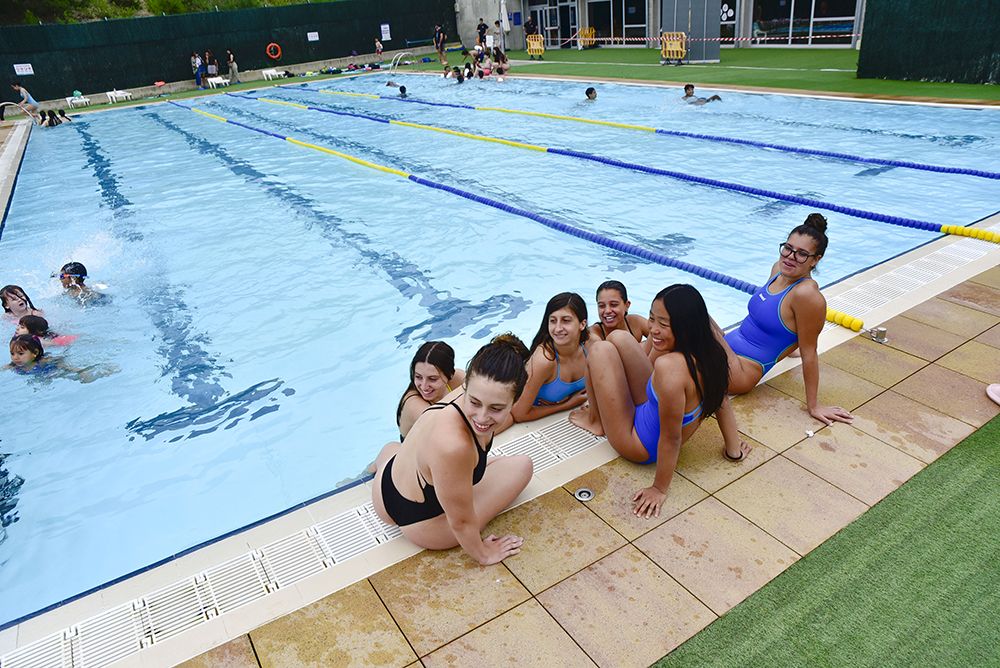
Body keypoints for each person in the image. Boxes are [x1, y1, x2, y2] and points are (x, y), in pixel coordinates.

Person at [570, 285, 750, 518]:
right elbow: (722, 400)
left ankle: (597, 421)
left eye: (663, 324)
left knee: (600, 351)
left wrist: (659, 488)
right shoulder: (711, 352)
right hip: (650, 413)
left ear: (685, 326)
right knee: (618, 337)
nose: (653, 329)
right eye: (652, 319)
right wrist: (733, 450)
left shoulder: (669, 369)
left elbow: (671, 437)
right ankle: (606, 407)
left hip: (639, 444)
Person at [372, 334, 534, 564]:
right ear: (467, 386)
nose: (482, 417)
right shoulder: (453, 445)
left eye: (496, 408)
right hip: (421, 524)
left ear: (514, 400)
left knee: (395, 448)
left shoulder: (467, 384)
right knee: (522, 466)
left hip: (385, 484)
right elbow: (461, 522)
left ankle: (375, 464)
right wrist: (483, 554)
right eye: (475, 402)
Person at [721, 213, 853, 426]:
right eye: (788, 248)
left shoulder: (807, 295)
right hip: (725, 349)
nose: (790, 257)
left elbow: (810, 353)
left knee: (684, 320)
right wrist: (789, 347)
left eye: (802, 254)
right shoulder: (777, 270)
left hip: (741, 371)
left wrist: (814, 406)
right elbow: (773, 317)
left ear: (816, 260)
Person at [512, 293, 589, 424]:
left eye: (566, 320)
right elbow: (518, 413)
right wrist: (566, 405)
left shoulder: (590, 346)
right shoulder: (545, 360)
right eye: (553, 321)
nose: (558, 328)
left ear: (582, 324)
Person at [397, 341, 467, 440]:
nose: (424, 386)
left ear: (450, 375)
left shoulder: (457, 378)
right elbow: (451, 433)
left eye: (432, 379)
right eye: (418, 377)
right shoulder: (413, 404)